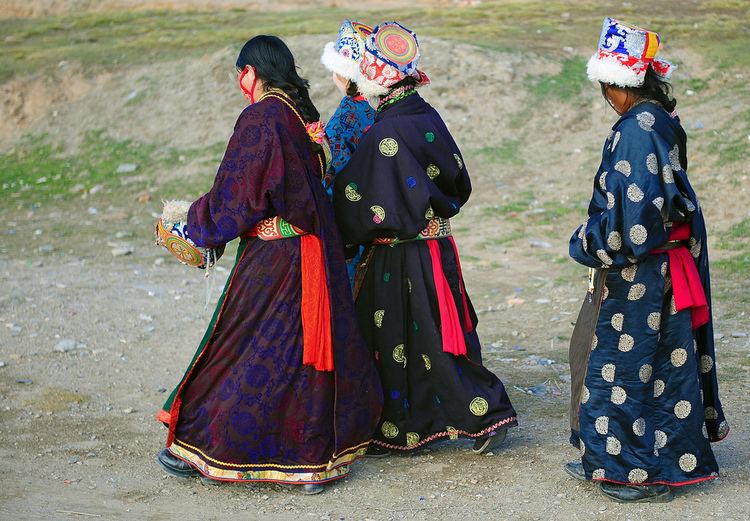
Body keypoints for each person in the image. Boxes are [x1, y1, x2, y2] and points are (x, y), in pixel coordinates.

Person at [154, 35, 383, 494]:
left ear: (252, 71)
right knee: (304, 357)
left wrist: (190, 223)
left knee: (239, 346)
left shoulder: (261, 119)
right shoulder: (302, 116)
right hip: (314, 255)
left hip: (276, 259)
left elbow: (237, 195)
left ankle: (206, 445)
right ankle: (313, 464)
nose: (241, 81)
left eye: (241, 72)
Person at [333, 22, 518, 457]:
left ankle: (485, 415)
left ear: (374, 76)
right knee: (423, 337)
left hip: (400, 255)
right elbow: (456, 178)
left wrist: (339, 223)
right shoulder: (423, 114)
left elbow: (359, 199)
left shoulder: (385, 132)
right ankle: (406, 425)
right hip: (436, 248)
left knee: (417, 339)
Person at [566, 18, 729, 503]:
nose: (605, 98)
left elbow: (631, 221)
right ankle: (633, 461)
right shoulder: (659, 119)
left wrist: (584, 242)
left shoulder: (635, 130)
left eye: (606, 89)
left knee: (619, 365)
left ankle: (629, 470)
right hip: (665, 268)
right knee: (662, 367)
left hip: (641, 271)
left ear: (620, 85)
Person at [320, 19, 377, 287]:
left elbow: (332, 172)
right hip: (380, 215)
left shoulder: (345, 116)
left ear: (343, 75)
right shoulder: (379, 109)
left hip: (350, 222)